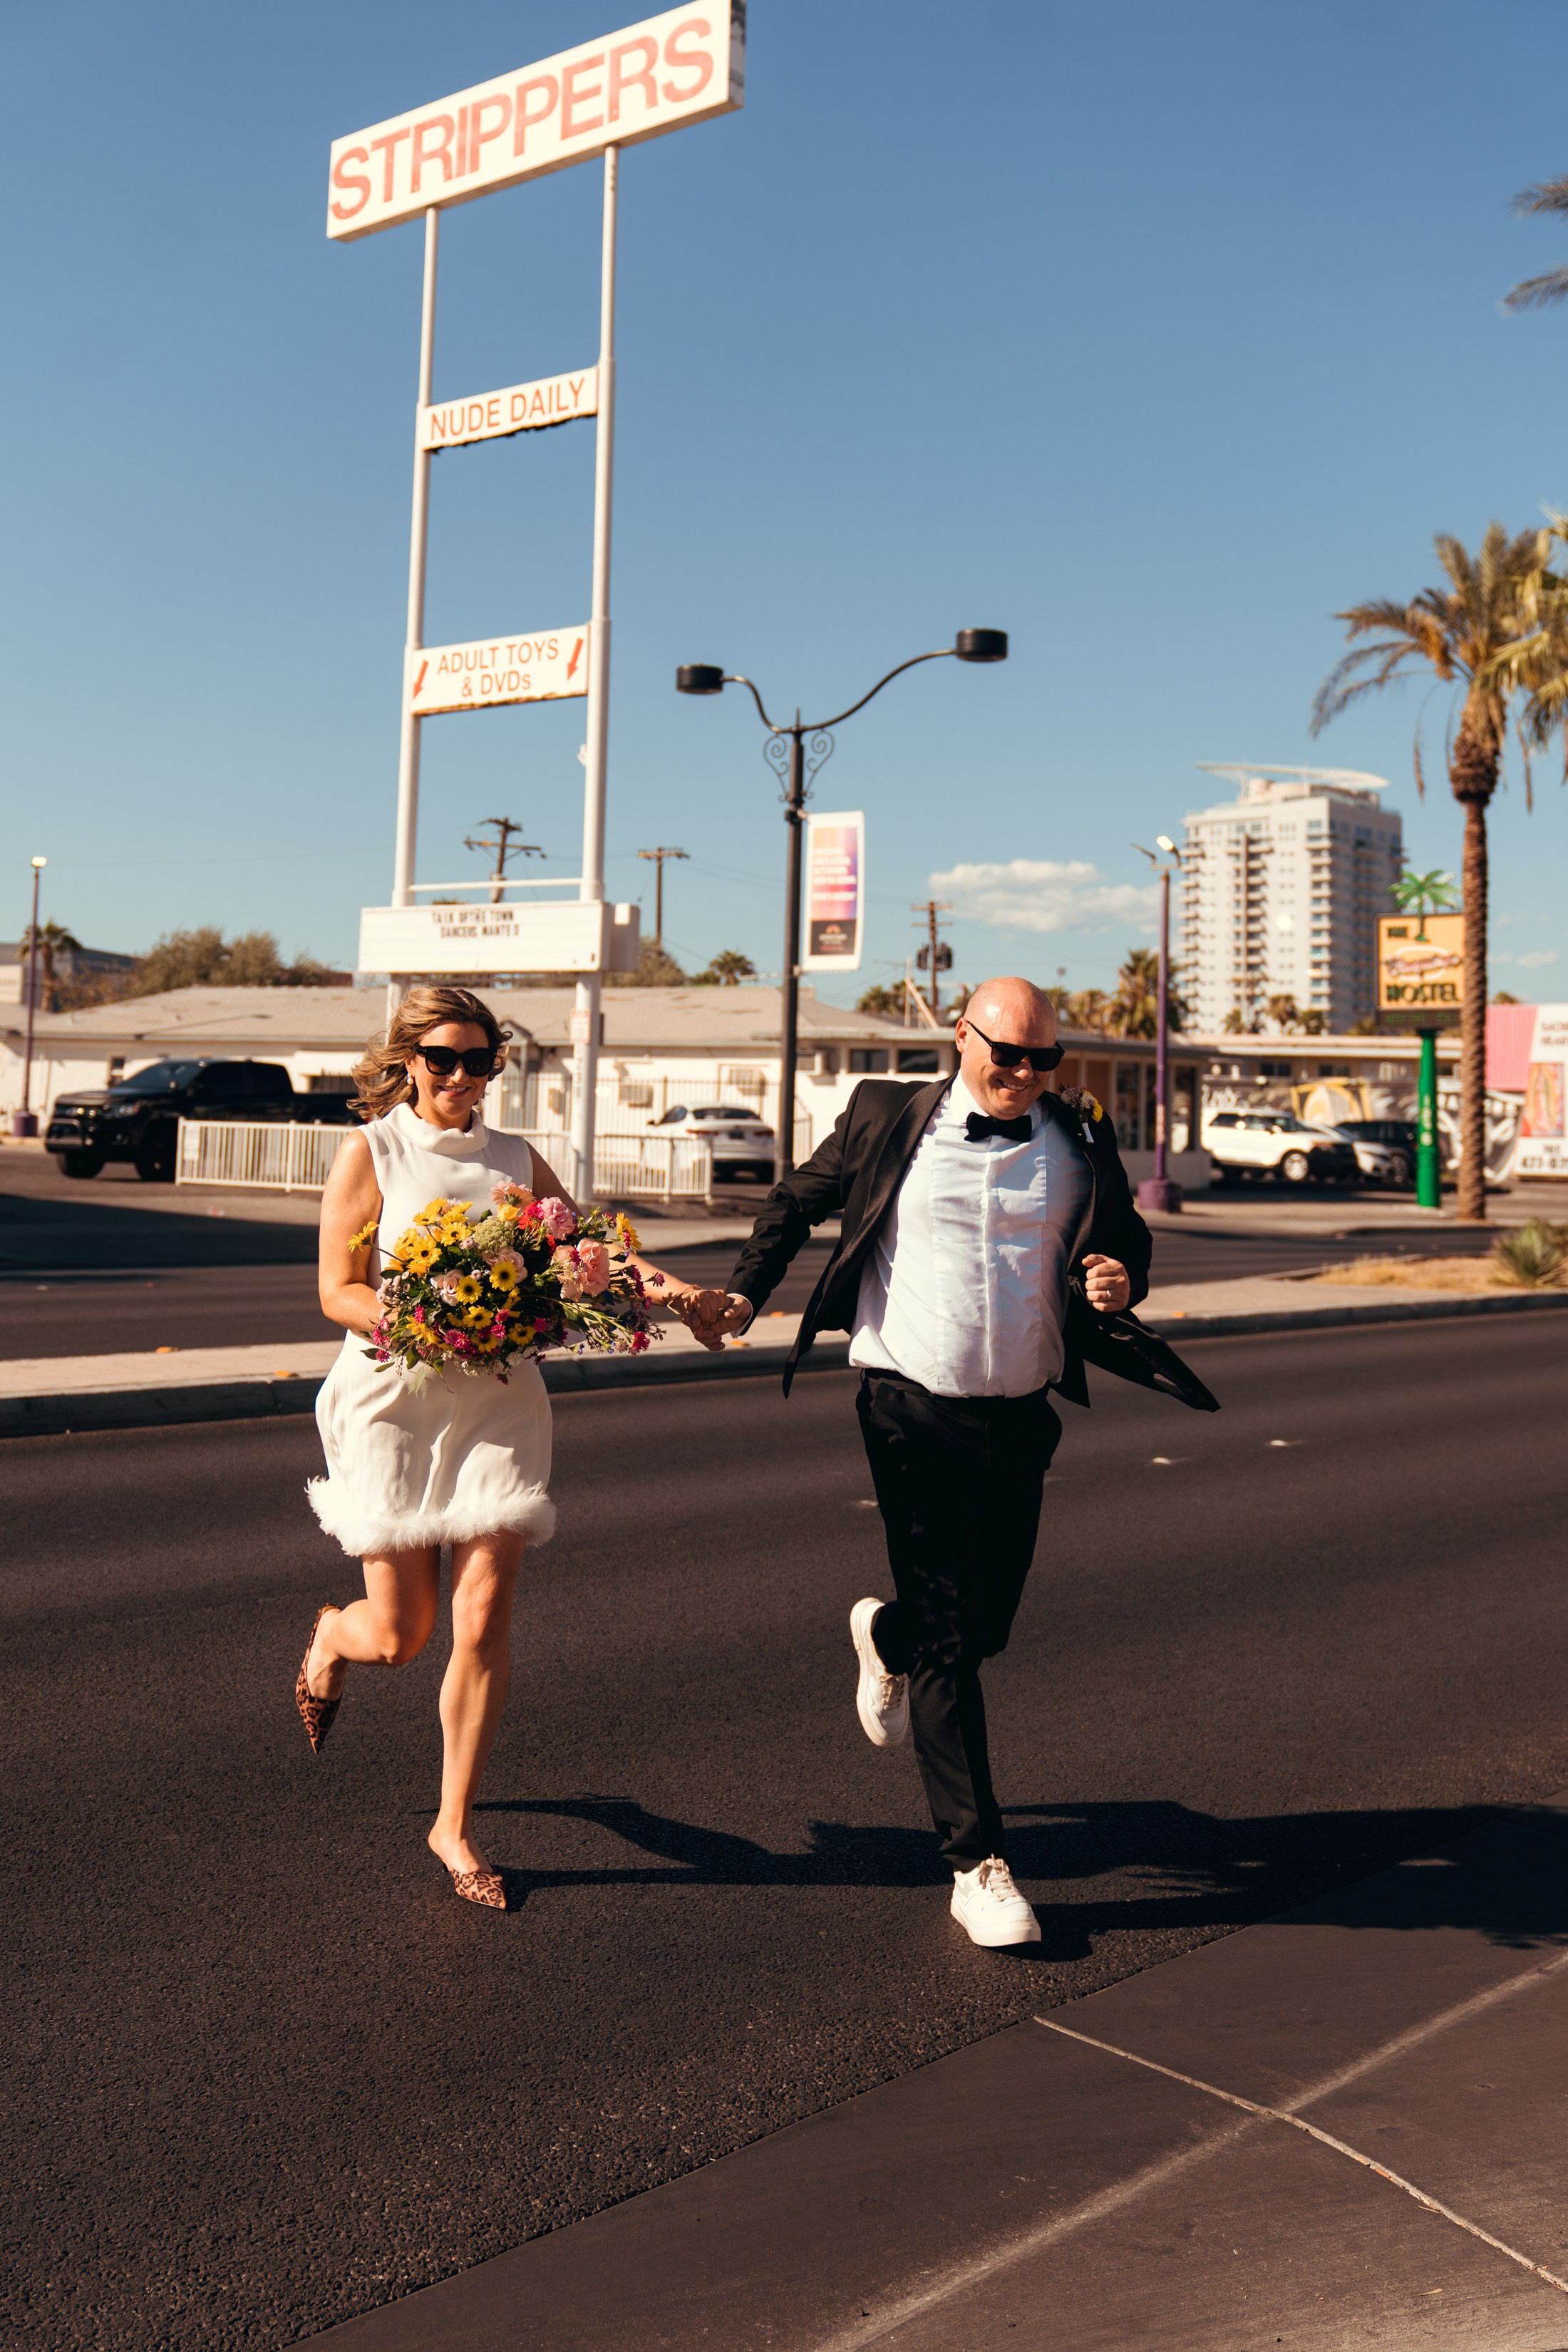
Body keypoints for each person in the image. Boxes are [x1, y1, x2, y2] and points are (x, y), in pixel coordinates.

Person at [695, 978, 1158, 1949]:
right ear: (962, 1036)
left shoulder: (1076, 1140)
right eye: (1008, 1055)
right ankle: (976, 1863)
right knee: (957, 1640)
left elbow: (1120, 1239)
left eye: (1044, 1061)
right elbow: (795, 1200)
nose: (1024, 1076)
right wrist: (746, 1295)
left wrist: (1121, 1277)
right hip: (908, 1406)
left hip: (1023, 1413)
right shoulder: (885, 1117)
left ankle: (887, 1637)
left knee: (983, 1627)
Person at [296, 984, 718, 1911]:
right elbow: (338, 1288)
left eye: (478, 1060)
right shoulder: (373, 1151)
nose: (459, 1076)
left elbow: (587, 1255)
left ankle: (453, 1825)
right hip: (393, 1402)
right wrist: (422, 1313)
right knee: (402, 1638)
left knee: (482, 1617)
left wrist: (685, 1296)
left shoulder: (517, 1158)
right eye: (441, 1058)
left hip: (498, 1401)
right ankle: (334, 1637)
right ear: (407, 1059)